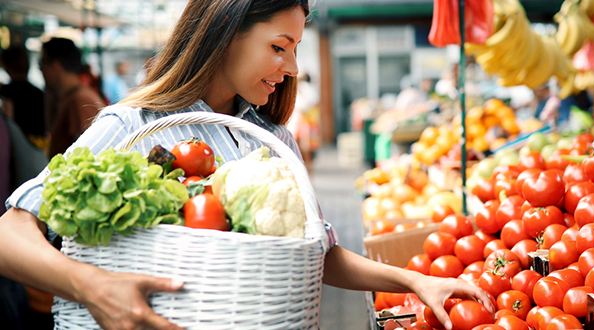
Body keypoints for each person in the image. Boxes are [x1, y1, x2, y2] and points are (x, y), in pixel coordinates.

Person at [0, 1, 493, 330]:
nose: (293, 68)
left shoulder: (273, 139)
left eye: (295, 49)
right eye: (279, 47)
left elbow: (317, 252)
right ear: (223, 34)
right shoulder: (133, 124)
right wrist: (91, 286)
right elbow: (10, 232)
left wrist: (413, 280)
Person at [39, 37, 105, 158]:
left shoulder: (80, 100)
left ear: (56, 66)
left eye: (42, 64)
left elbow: (91, 154)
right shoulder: (73, 96)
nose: (41, 70)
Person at [0, 46, 46, 146]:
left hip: (17, 147)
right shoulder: (39, 92)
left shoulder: (7, 91)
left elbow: (8, 122)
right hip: (39, 147)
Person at [287, 71, 320, 173]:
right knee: (297, 147)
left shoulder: (305, 88)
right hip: (296, 122)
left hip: (304, 122)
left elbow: (308, 104)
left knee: (305, 148)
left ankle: (307, 172)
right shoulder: (295, 89)